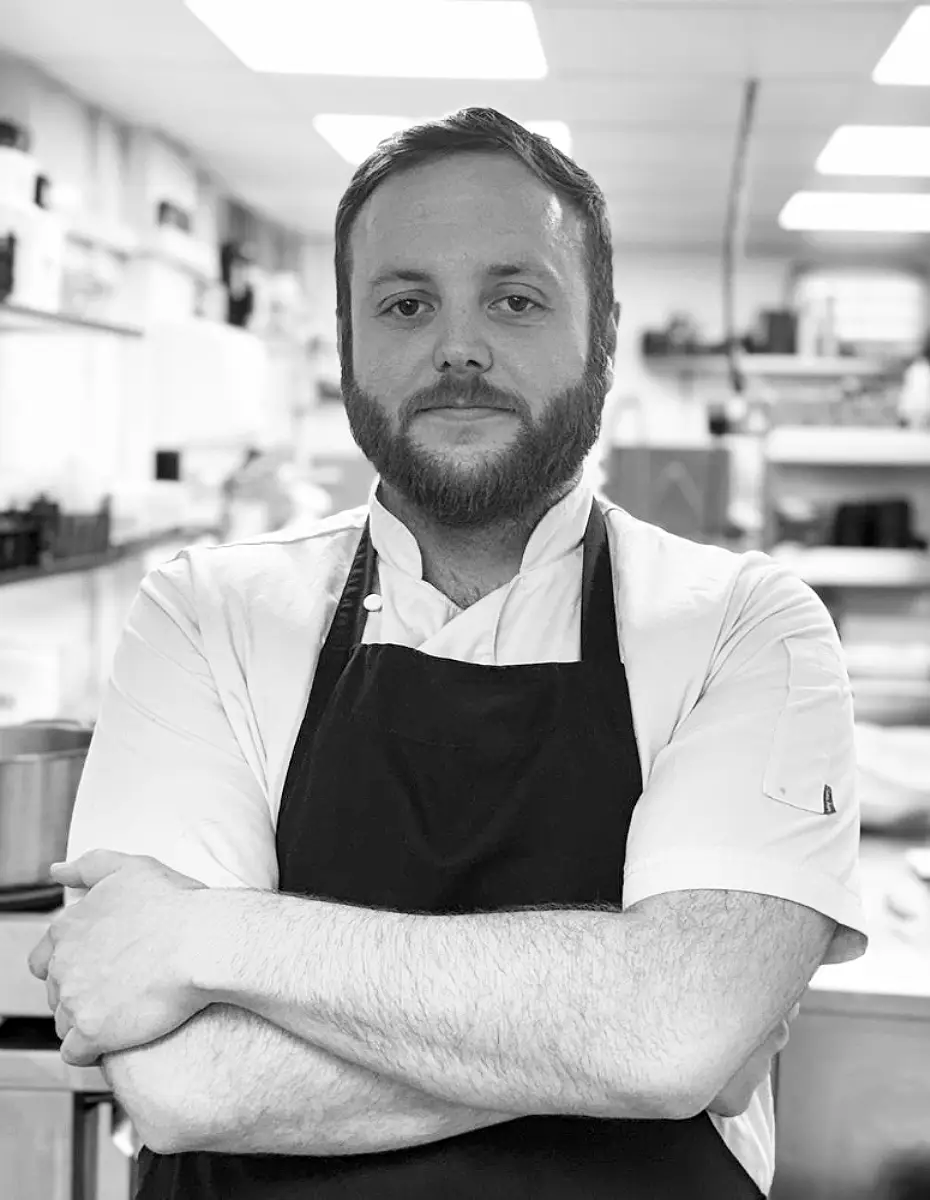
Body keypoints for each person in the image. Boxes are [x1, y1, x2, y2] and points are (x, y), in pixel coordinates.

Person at [28, 107, 867, 1199]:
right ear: (346, 343)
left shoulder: (745, 624)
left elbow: (678, 1032)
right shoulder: (206, 612)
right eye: (406, 303)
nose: (458, 348)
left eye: (516, 300)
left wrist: (204, 936)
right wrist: (630, 1033)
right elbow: (184, 1085)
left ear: (601, 334)